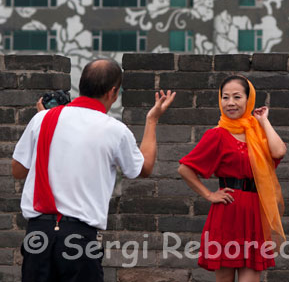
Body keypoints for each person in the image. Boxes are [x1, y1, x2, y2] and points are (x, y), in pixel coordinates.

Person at [12, 58, 176, 282]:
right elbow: (143, 168)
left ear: (82, 84)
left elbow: (18, 170)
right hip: (79, 238)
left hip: (38, 234)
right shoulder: (114, 130)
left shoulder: (43, 119)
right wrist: (152, 120)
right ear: (113, 92)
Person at [178, 75, 287, 282]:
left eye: (237, 97)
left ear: (249, 100)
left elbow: (279, 151)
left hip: (255, 213)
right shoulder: (217, 134)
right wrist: (209, 194)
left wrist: (263, 121)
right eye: (225, 97)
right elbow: (185, 169)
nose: (230, 103)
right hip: (228, 212)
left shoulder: (258, 132)